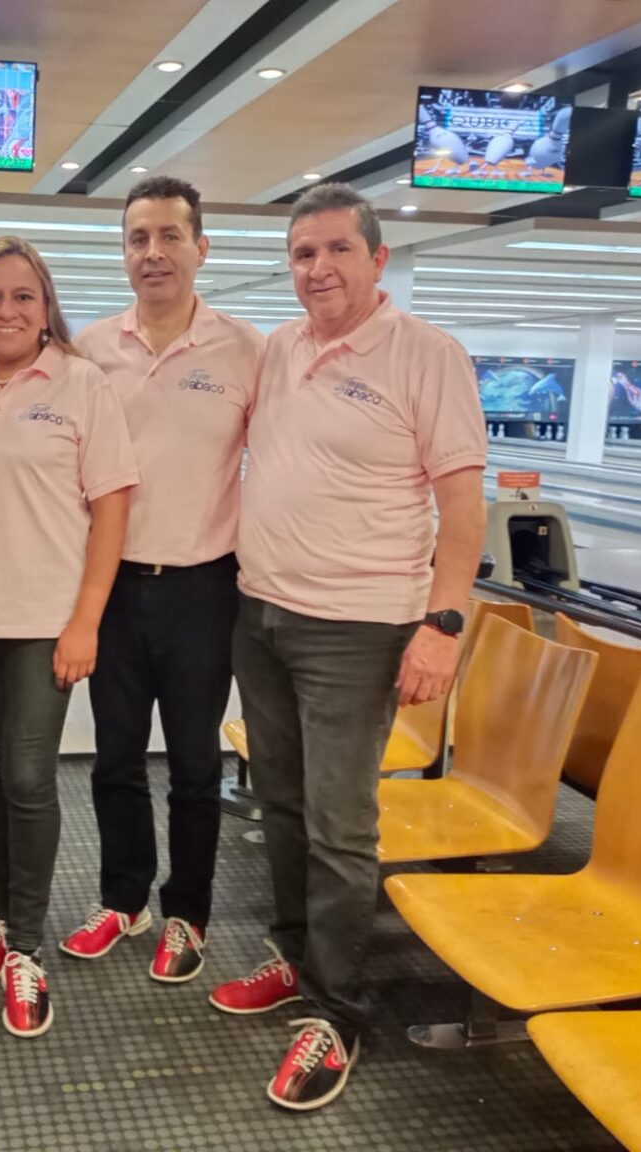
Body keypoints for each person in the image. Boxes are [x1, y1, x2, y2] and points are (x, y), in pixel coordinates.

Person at [214, 182, 486, 1111]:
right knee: (284, 804)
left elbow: (463, 508)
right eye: (302, 253)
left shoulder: (427, 355)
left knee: (339, 824)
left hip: (359, 628)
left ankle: (338, 1010)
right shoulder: (281, 349)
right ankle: (296, 959)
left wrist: (443, 626)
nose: (318, 268)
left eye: (336, 250)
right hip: (262, 615)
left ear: (377, 258)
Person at [0, 236, 138, 1037]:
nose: (7, 310)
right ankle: (3, 913)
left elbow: (112, 506)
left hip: (47, 616)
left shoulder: (83, 384)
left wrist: (86, 619)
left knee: (27, 775)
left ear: (46, 306)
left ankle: (26, 945)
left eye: (24, 295)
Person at [65, 176, 264, 982]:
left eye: (170, 236)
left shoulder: (245, 351)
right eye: (139, 238)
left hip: (203, 589)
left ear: (200, 248)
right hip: (110, 586)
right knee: (114, 758)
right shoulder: (90, 349)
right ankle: (123, 899)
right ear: (124, 254)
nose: (154, 252)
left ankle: (188, 912)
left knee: (193, 766)